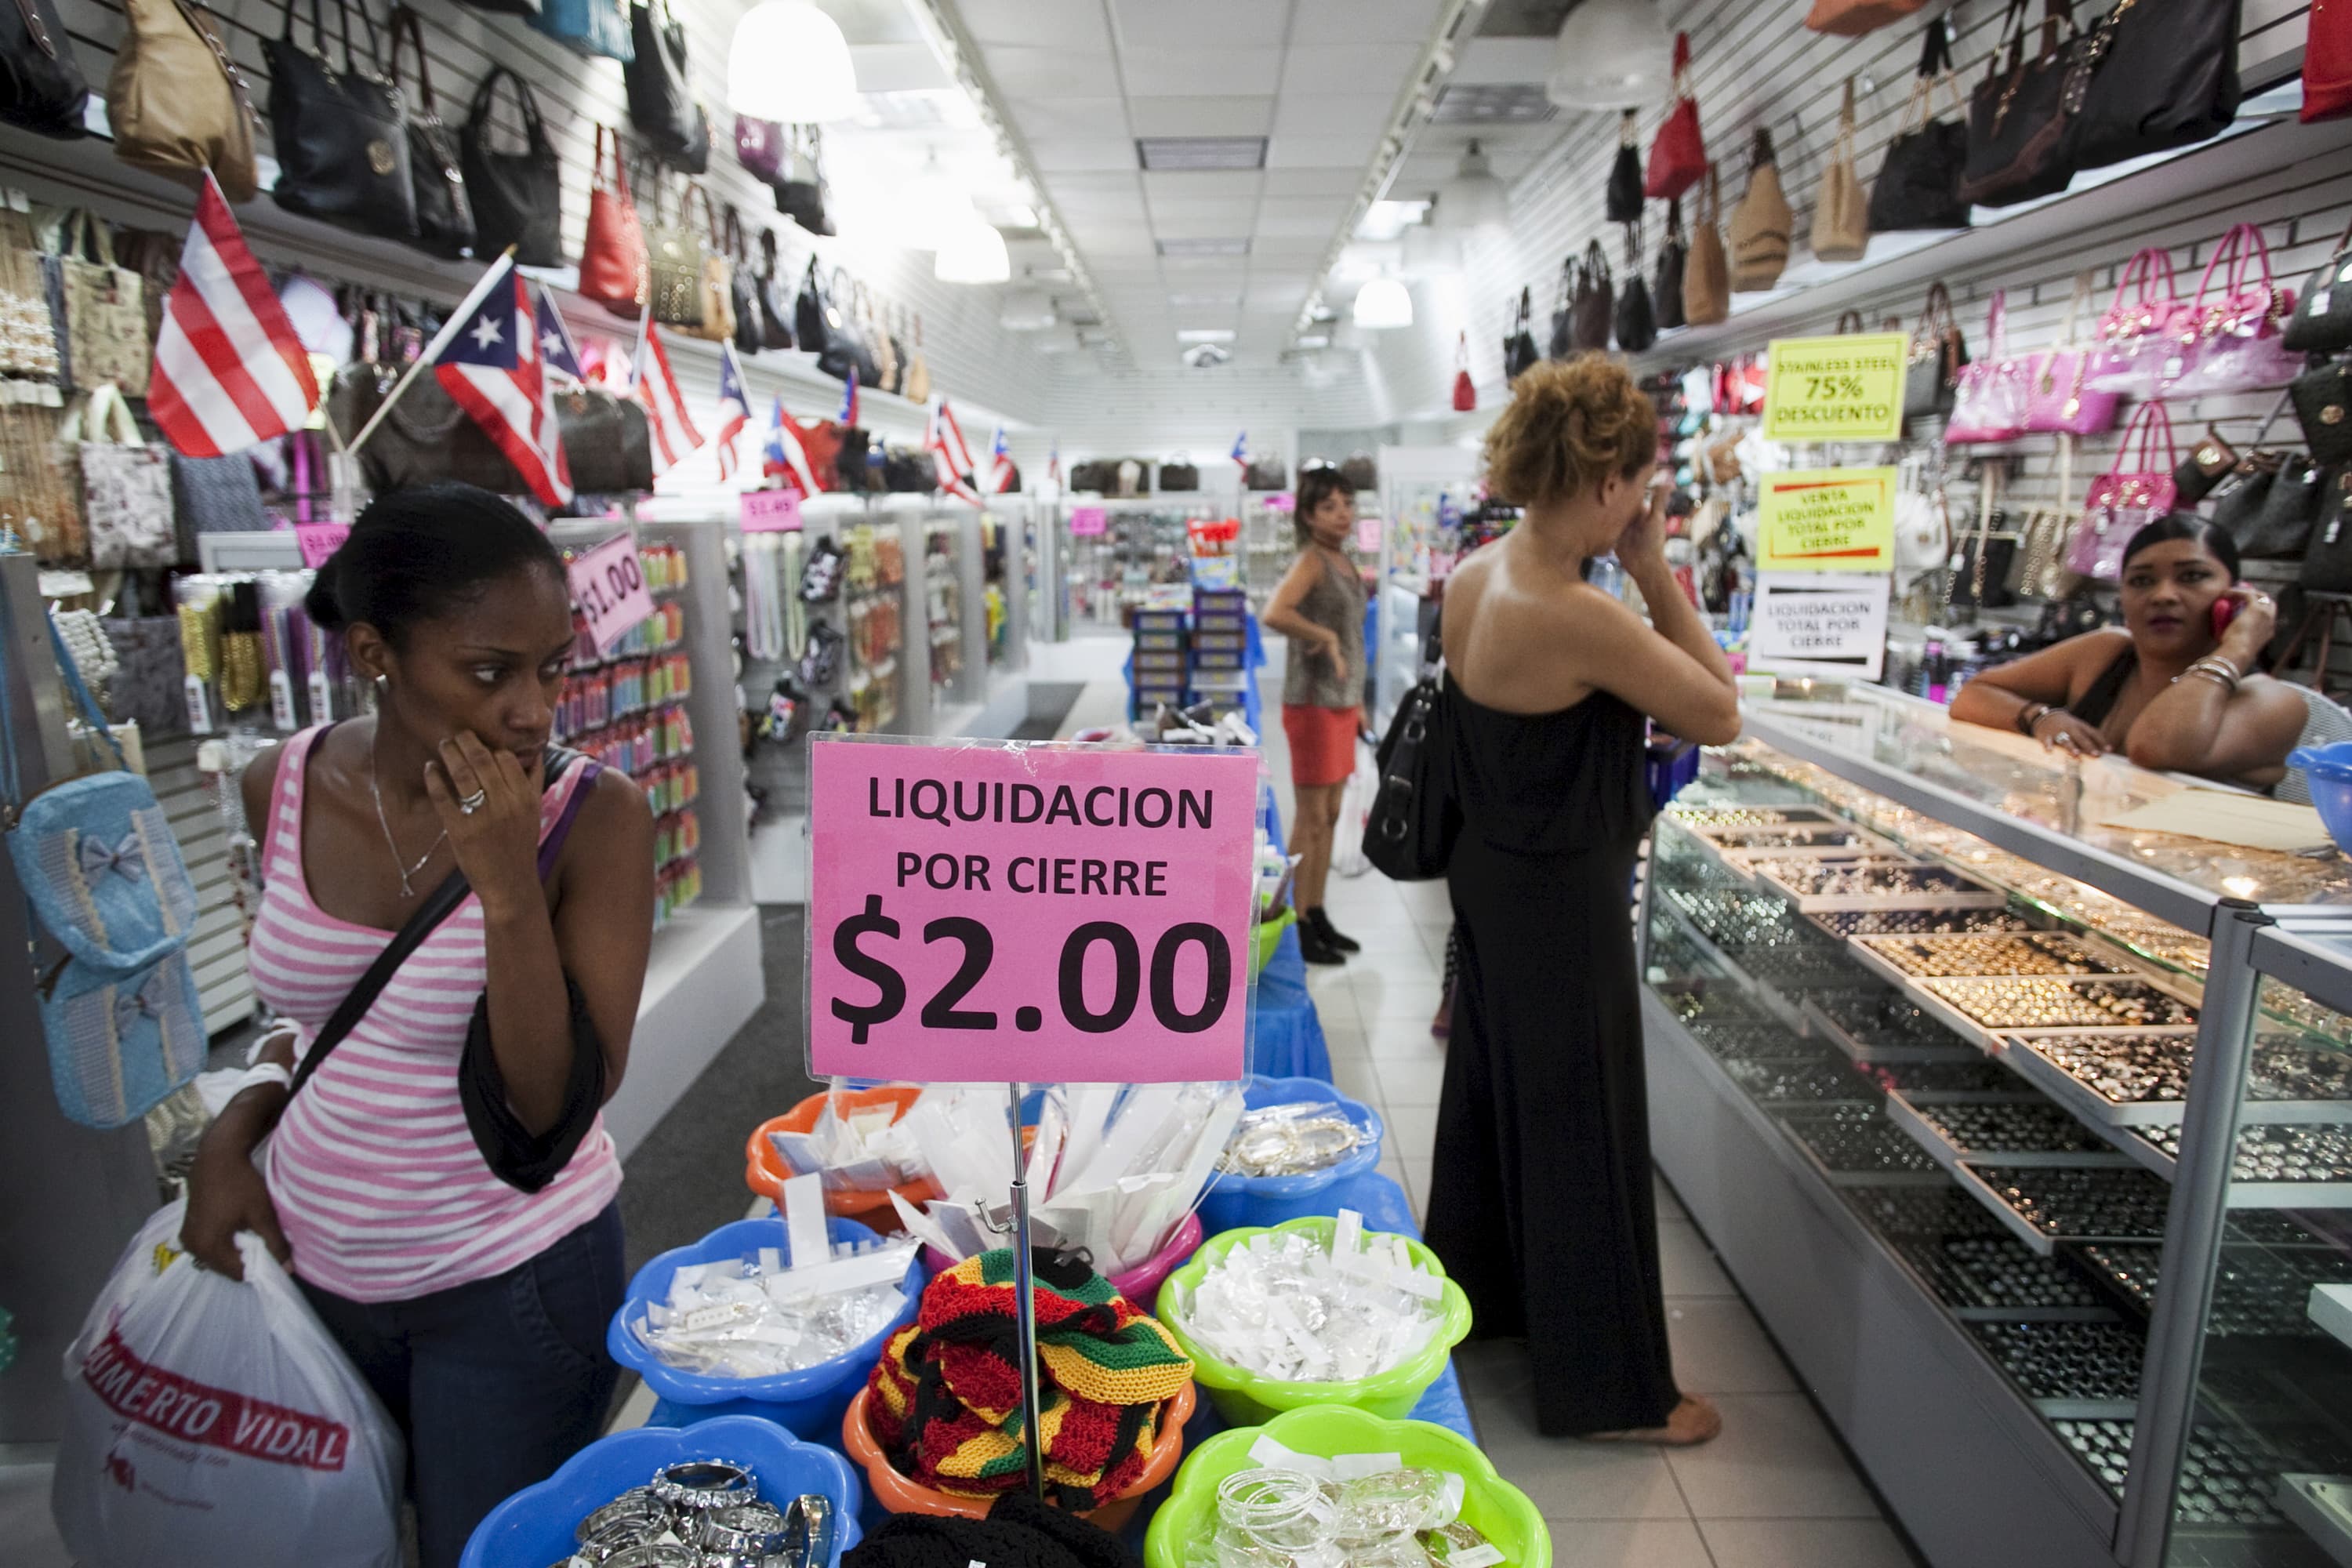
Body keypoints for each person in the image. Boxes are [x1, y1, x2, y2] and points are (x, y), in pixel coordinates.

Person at [180, 485, 657, 1567]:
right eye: (490, 673)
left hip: (509, 1284)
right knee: (334, 1540)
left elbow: (549, 1109)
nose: (534, 709)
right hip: (313, 1266)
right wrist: (227, 1138)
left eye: (553, 667)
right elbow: (299, 1022)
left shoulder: (596, 819)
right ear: (373, 653)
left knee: (480, 1551)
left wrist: (504, 888)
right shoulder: (281, 785)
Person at [1425, 355, 1740, 1445]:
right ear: (1608, 478)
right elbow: (1718, 712)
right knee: (1585, 1125)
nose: (1643, 502)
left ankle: (1493, 1306)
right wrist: (1658, 573)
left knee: (1494, 1095)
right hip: (1562, 896)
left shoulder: (1479, 573)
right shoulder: (1577, 611)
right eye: (1640, 483)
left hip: (1497, 876)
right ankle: (1615, 1394)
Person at [1949, 515, 2302, 789]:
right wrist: (2039, 717)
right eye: (2142, 581)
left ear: (2236, 599)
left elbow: (2153, 747)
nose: (2163, 595)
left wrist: (2238, 646)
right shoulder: (2105, 652)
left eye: (2192, 576)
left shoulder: (2275, 702)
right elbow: (1972, 696)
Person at [1261, 465, 1369, 965]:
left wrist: (1359, 699)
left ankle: (1317, 911)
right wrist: (1321, 637)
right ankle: (1296, 922)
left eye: (1347, 502)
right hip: (1312, 702)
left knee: (1328, 814)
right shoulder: (1312, 561)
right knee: (1310, 818)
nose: (1343, 513)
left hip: (1342, 703)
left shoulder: (1342, 560)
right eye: (1329, 506)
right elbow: (1275, 612)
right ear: (1307, 515)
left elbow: (1355, 636)